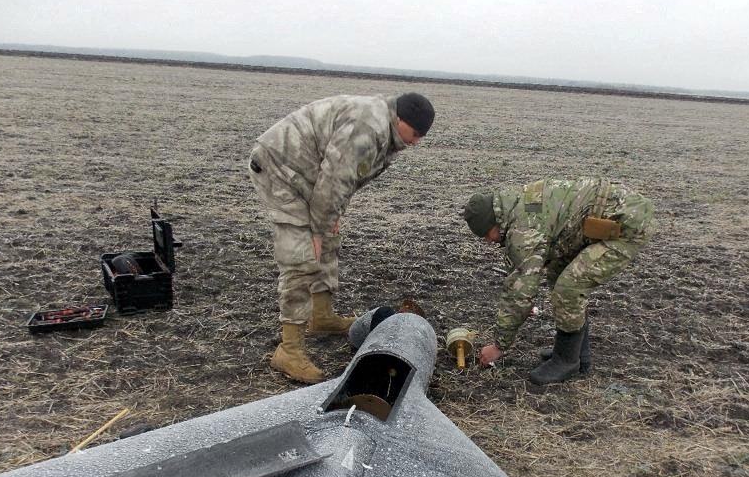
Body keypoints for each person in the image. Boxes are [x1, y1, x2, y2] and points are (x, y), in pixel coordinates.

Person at [248, 92, 435, 383]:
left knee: (328, 239)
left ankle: (321, 317)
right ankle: (289, 350)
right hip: (282, 170)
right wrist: (318, 229)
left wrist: (329, 220)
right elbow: (335, 179)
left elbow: (345, 181)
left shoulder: (385, 131)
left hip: (309, 173)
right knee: (302, 254)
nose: (416, 142)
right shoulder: (368, 129)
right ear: (400, 119)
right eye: (414, 133)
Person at [461, 177, 655, 385]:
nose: (488, 241)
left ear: (494, 222)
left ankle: (566, 360)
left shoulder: (522, 229)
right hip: (599, 222)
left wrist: (499, 345)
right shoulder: (515, 206)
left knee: (568, 289)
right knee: (557, 273)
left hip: (627, 225)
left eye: (486, 235)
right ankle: (579, 354)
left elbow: (520, 291)